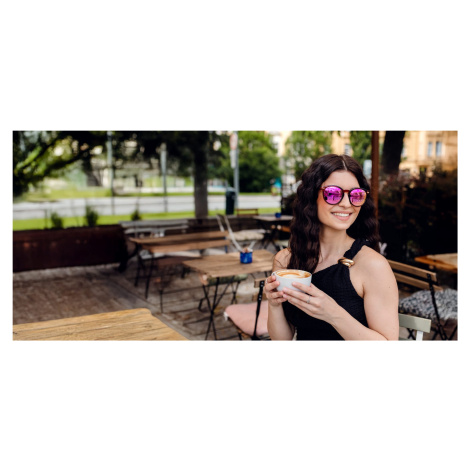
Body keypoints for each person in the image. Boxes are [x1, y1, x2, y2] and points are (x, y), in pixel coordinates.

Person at [266, 154, 399, 340]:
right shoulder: (285, 260)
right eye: (333, 194)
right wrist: (273, 305)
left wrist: (332, 313)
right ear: (312, 196)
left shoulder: (373, 265)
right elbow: (282, 340)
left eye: (356, 195)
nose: (346, 204)